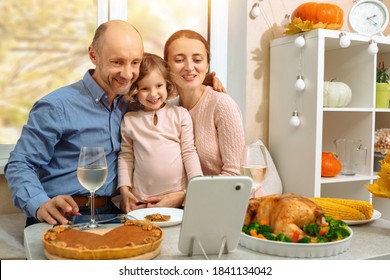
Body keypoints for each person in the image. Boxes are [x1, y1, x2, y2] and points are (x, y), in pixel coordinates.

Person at [5, 20, 223, 227]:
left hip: (114, 212)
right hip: (65, 215)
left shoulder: (132, 102)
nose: (128, 74)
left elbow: (162, 99)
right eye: (117, 62)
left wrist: (203, 82)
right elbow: (20, 163)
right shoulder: (57, 106)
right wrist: (39, 203)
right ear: (93, 55)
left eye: (135, 62)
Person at [117, 53, 203, 213]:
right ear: (135, 90)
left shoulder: (180, 114)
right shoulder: (130, 120)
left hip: (177, 199)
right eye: (144, 88)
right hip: (141, 200)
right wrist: (124, 189)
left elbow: (189, 152)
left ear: (167, 85)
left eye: (159, 86)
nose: (153, 94)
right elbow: (126, 156)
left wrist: (196, 188)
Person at [164, 30, 245, 176]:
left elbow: (234, 176)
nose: (189, 67)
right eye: (179, 60)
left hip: (235, 197)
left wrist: (181, 196)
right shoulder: (169, 109)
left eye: (197, 60)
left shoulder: (221, 104)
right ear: (166, 67)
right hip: (191, 197)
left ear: (207, 66)